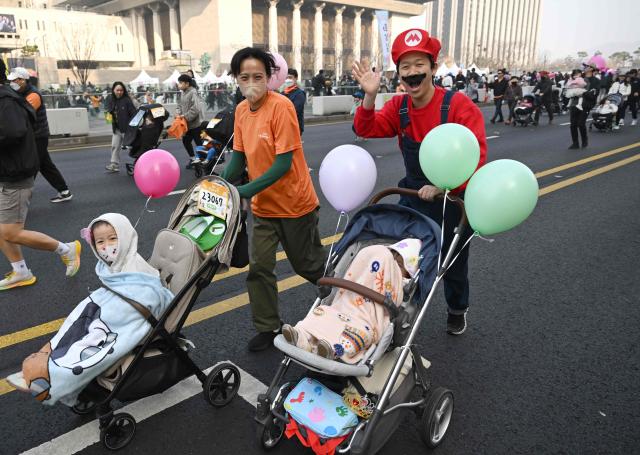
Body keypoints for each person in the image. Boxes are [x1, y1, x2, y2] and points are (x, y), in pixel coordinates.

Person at [352, 28, 487, 335]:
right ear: (398, 72)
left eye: (419, 65)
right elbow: (366, 129)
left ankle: (457, 308)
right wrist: (369, 94)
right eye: (405, 67)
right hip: (413, 191)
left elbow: (477, 154)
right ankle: (394, 311)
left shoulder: (457, 106)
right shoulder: (399, 106)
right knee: (402, 255)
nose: (412, 73)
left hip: (453, 197)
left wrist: (445, 186)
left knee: (451, 261)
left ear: (433, 68)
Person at [6, 213, 174, 404]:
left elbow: (148, 293)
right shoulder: (111, 266)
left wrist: (111, 310)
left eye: (112, 238)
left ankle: (50, 376)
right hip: (111, 304)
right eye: (100, 241)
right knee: (74, 326)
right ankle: (46, 361)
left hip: (129, 314)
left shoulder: (136, 266)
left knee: (89, 343)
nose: (106, 246)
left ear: (125, 237)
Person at [222, 47, 327, 351]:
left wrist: (243, 191)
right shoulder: (241, 111)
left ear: (269, 77)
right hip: (264, 208)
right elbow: (238, 158)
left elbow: (282, 165)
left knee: (308, 266)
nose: (252, 82)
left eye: (258, 76)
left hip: (295, 205)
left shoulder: (281, 107)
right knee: (259, 268)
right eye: (245, 77)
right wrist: (220, 185)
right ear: (237, 79)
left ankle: (343, 300)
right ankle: (268, 327)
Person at [0, 60, 81, 291]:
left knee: (10, 231)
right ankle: (20, 271)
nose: (16, 82)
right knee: (2, 228)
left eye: (19, 79)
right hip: (11, 170)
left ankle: (66, 250)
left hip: (15, 174)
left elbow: (14, 131)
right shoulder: (9, 97)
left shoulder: (6, 100)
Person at [282, 239, 420, 362]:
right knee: (323, 312)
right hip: (345, 308)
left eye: (400, 266)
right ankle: (301, 336)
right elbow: (360, 275)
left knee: (359, 336)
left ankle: (333, 350)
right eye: (393, 261)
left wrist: (392, 271)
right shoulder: (376, 264)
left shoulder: (399, 283)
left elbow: (394, 298)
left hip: (366, 321)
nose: (394, 266)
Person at [7, 67, 72, 203]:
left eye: (15, 80)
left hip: (38, 136)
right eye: (11, 80)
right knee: (45, 165)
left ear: (23, 80)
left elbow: (23, 114)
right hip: (34, 136)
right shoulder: (20, 93)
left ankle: (20, 197)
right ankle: (64, 191)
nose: (12, 82)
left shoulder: (33, 95)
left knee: (31, 166)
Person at [104, 82, 136, 173]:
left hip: (127, 129)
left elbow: (134, 113)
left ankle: (142, 162)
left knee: (132, 147)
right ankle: (114, 165)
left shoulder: (127, 100)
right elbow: (107, 111)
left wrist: (134, 127)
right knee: (115, 146)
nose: (119, 92)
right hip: (116, 129)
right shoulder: (110, 99)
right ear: (113, 90)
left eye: (121, 90)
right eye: (117, 90)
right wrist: (108, 114)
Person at [176, 74, 204, 168]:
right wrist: (178, 113)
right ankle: (193, 159)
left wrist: (185, 117)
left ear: (187, 84)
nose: (179, 85)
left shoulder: (193, 92)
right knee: (186, 141)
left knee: (198, 143)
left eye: (180, 83)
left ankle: (203, 161)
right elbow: (179, 105)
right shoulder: (183, 93)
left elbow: (196, 108)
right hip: (186, 125)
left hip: (195, 124)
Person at [282, 68, 306, 135]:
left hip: (294, 127)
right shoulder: (282, 93)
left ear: (296, 78)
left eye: (290, 77)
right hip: (283, 127)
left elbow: (295, 110)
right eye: (286, 78)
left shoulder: (300, 93)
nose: (288, 80)